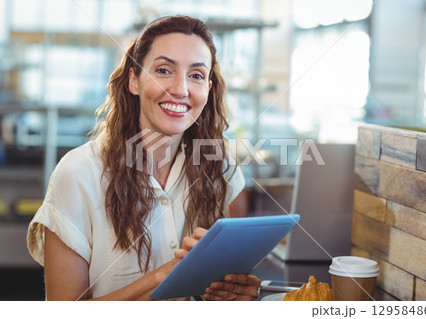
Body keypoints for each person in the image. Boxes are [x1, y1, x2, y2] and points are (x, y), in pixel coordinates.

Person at [27, 15, 260, 301]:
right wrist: (164, 277)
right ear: (134, 80)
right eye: (163, 70)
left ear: (208, 90)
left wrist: (236, 292)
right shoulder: (78, 173)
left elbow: (223, 287)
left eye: (196, 75)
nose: (181, 89)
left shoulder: (221, 168)